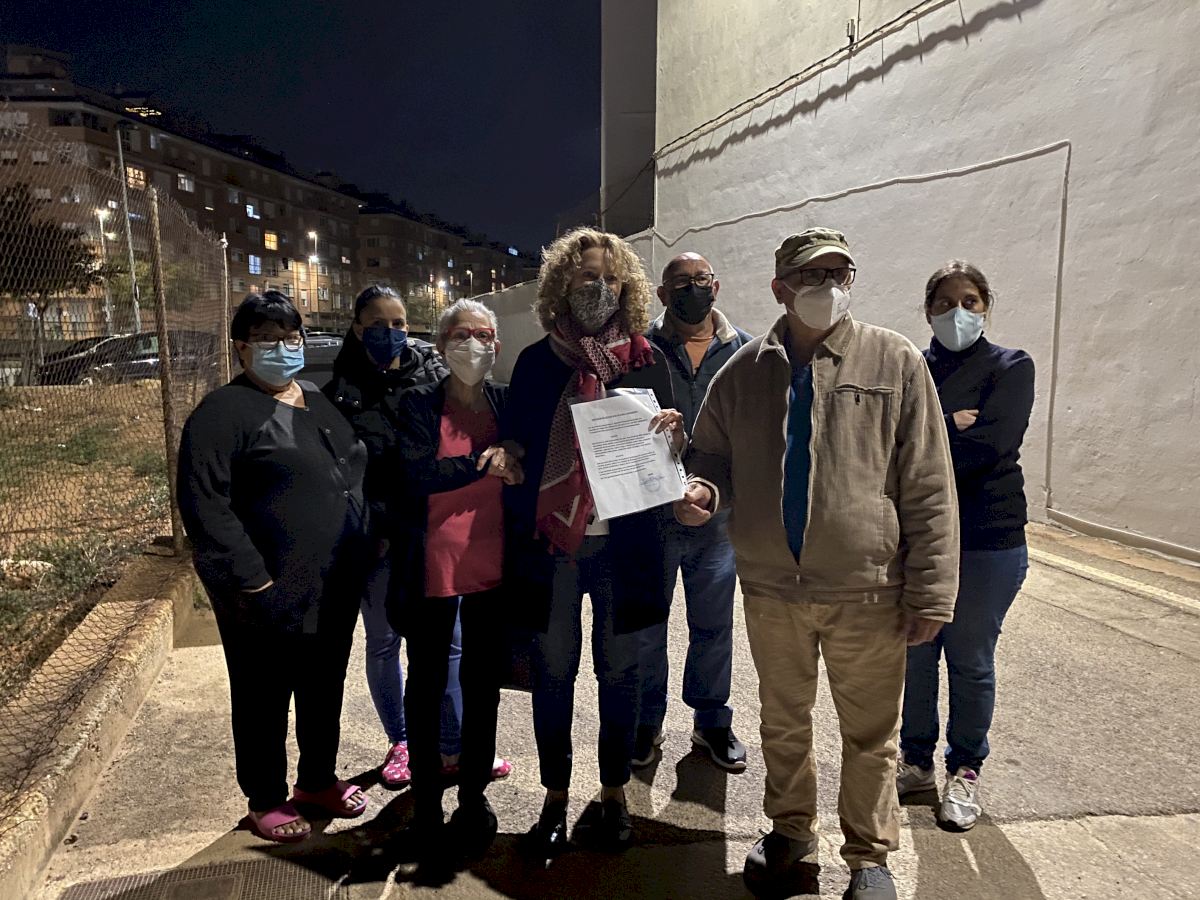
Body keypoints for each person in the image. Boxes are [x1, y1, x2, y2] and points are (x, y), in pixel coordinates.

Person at [675, 228, 960, 900]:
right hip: (773, 588)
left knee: (870, 735)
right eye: (811, 276)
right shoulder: (743, 371)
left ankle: (869, 856)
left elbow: (928, 481)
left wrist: (932, 591)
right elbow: (709, 456)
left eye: (839, 274)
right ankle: (790, 829)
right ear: (780, 287)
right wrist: (703, 492)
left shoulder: (894, 360)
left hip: (868, 589)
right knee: (783, 723)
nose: (827, 288)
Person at [503, 227, 684, 862]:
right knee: (553, 673)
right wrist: (508, 454)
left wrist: (674, 434)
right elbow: (515, 437)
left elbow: (678, 450)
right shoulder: (536, 361)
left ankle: (613, 794)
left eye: (611, 277)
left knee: (621, 674)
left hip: (626, 548)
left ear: (626, 286)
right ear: (563, 282)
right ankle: (555, 797)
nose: (600, 287)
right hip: (553, 545)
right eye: (587, 276)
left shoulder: (647, 360)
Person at [177, 291, 371, 843]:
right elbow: (204, 505)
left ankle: (316, 780)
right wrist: (253, 579)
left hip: (332, 582)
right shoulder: (221, 413)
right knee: (263, 693)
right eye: (266, 338)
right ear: (241, 347)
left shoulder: (314, 396)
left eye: (290, 337)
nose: (282, 347)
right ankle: (265, 798)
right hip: (265, 588)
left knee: (323, 685)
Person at [325, 286, 509, 788]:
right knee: (384, 640)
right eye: (377, 324)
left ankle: (453, 742)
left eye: (399, 324)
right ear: (357, 328)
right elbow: (348, 474)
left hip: (422, 532)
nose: (390, 333)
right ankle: (402, 741)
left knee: (446, 646)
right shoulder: (340, 393)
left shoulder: (428, 379)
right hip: (376, 535)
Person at [376, 299, 520, 868]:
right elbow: (414, 474)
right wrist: (484, 462)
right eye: (460, 335)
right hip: (432, 564)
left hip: (492, 562)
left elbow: (528, 452)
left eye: (483, 335)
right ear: (440, 346)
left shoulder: (506, 403)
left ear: (496, 346)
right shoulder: (417, 403)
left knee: (483, 686)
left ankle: (473, 798)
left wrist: (513, 452)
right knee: (427, 683)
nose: (473, 345)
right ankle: (428, 803)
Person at [897, 261, 1034, 831]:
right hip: (919, 536)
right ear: (928, 310)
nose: (959, 312)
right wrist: (951, 426)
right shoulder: (911, 368)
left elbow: (990, 449)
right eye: (946, 302)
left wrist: (936, 434)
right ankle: (915, 760)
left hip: (988, 539)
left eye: (970, 301)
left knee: (970, 659)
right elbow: (889, 448)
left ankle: (966, 768)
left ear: (986, 307)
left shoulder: (1011, 366)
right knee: (916, 653)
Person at [635, 252, 753, 772]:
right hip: (653, 515)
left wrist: (715, 494)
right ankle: (647, 721)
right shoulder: (640, 349)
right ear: (663, 294)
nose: (692, 289)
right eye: (680, 283)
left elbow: (752, 434)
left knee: (713, 625)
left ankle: (711, 720)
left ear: (716, 286)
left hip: (715, 517)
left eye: (700, 280)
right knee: (649, 626)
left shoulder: (744, 351)